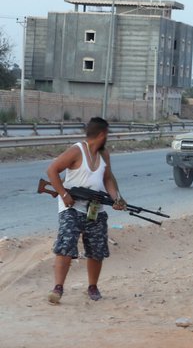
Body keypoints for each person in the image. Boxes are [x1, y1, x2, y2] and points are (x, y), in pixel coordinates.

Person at [45, 117, 125, 304]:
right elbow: (52, 170)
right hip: (71, 208)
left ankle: (93, 287)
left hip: (95, 209)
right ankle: (58, 288)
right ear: (102, 134)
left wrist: (116, 199)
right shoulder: (76, 150)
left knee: (96, 250)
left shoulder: (104, 155)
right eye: (107, 135)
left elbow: (107, 179)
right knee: (65, 246)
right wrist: (64, 194)